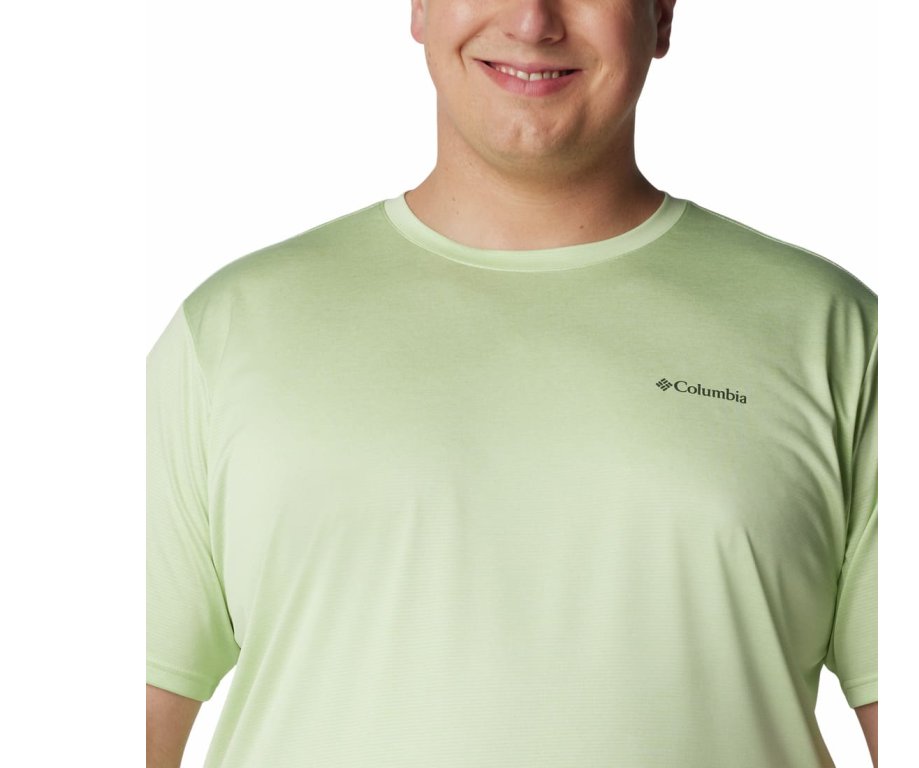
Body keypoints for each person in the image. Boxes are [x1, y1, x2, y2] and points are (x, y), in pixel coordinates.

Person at [146, 1, 878, 766]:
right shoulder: (229, 333)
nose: (533, 21)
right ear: (420, 6)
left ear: (661, 15)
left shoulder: (834, 334)